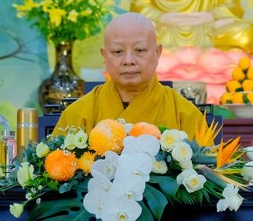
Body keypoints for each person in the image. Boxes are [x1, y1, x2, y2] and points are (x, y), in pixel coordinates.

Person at [53, 12, 206, 136]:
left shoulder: (185, 115)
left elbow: (206, 164)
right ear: (105, 56)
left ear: (157, 53)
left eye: (139, 50)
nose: (128, 61)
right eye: (117, 51)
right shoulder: (77, 114)